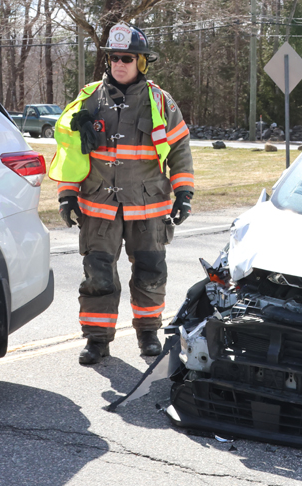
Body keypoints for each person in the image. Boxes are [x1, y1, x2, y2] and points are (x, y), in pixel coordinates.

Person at [48, 22, 194, 365]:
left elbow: (180, 148)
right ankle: (97, 341)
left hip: (148, 205)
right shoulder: (87, 100)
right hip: (99, 206)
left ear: (141, 62)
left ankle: (148, 333)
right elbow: (71, 152)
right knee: (97, 275)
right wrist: (67, 195)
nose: (119, 64)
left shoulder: (160, 102)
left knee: (150, 272)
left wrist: (184, 192)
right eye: (114, 58)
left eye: (127, 58)